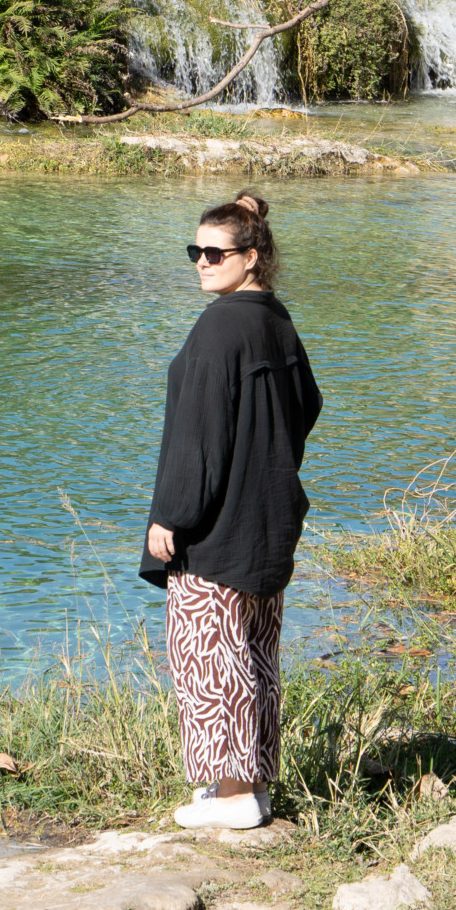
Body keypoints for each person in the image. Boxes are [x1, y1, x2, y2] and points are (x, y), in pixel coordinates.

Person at [140, 190, 322, 832]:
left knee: (210, 659)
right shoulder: (275, 319)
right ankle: (251, 786)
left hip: (216, 529)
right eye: (195, 250)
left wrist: (171, 516)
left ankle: (232, 797)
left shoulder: (219, 326)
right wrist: (268, 466)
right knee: (256, 653)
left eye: (215, 252)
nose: (201, 261)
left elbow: (199, 435)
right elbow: (308, 405)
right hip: (267, 520)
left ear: (250, 257)